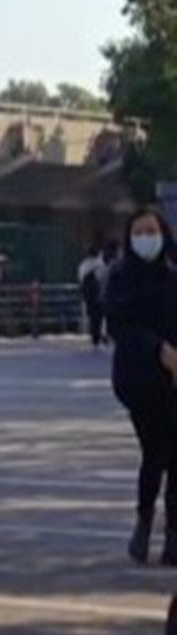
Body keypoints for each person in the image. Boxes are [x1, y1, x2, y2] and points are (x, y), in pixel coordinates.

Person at [105, 207, 177, 564]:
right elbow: (120, 326)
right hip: (140, 378)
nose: (146, 238)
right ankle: (144, 521)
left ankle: (173, 533)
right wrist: (157, 349)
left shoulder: (173, 273)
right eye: (139, 233)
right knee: (155, 451)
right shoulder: (121, 276)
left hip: (175, 378)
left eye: (152, 231)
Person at [80, 240, 110, 348]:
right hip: (101, 296)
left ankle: (94, 336)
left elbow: (81, 279)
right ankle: (102, 335)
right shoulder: (101, 265)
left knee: (92, 317)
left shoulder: (83, 265)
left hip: (88, 296)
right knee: (102, 318)